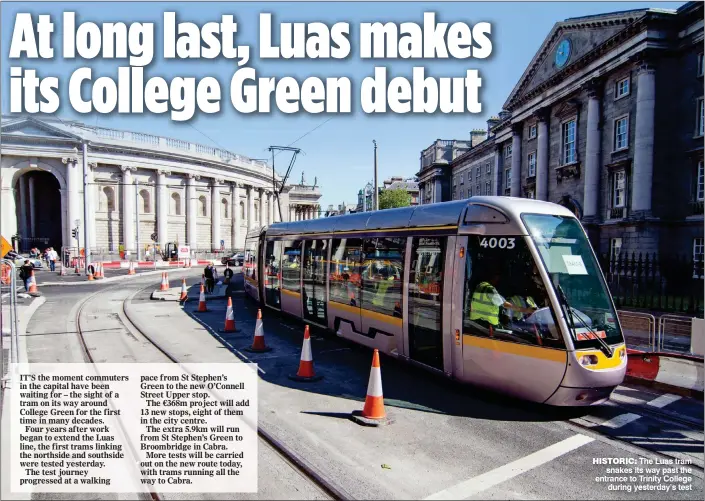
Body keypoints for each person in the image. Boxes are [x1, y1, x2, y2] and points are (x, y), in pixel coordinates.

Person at [469, 272, 536, 327]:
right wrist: (526, 310)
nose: (498, 281)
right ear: (493, 277)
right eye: (497, 277)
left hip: (478, 323)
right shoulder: (489, 289)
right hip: (485, 325)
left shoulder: (481, 286)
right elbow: (504, 304)